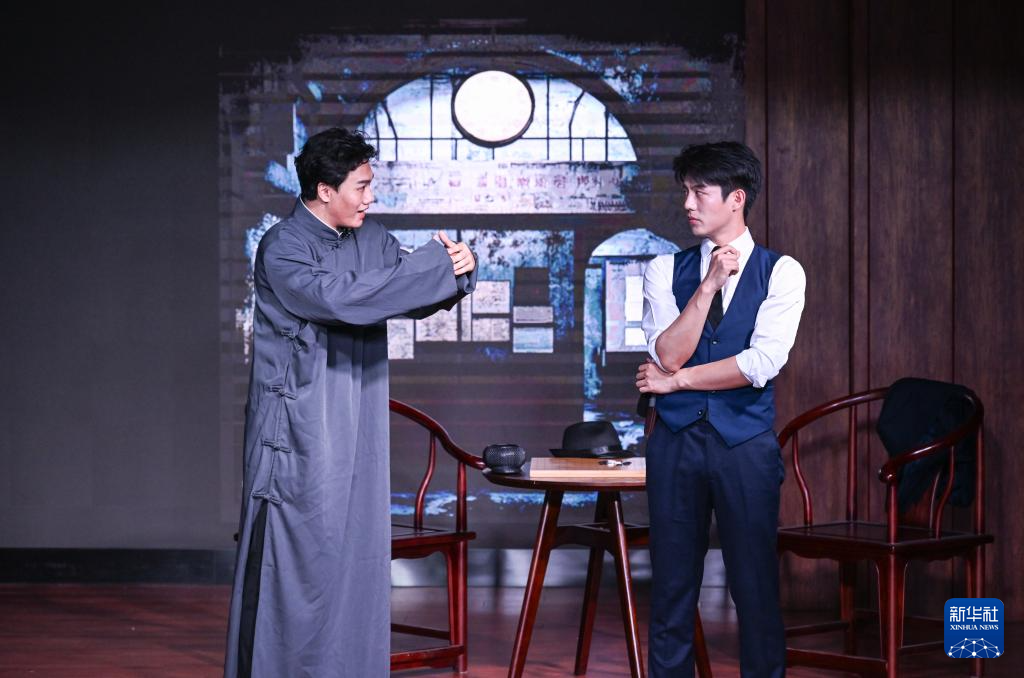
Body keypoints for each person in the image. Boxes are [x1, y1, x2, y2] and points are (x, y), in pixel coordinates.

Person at [223, 128, 477, 678]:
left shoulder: (373, 238)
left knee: (358, 554)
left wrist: (458, 269)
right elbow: (339, 300)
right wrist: (432, 268)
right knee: (295, 559)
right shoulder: (283, 246)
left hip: (360, 418)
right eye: (360, 186)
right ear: (324, 189)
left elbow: (409, 293)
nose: (369, 197)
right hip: (298, 429)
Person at [636, 141, 805, 677]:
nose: (687, 203)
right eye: (685, 191)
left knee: (754, 589)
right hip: (675, 445)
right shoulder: (665, 268)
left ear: (736, 198)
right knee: (670, 589)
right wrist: (707, 287)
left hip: (745, 448)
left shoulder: (782, 271)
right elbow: (667, 353)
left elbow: (760, 363)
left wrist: (678, 382)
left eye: (699, 192)